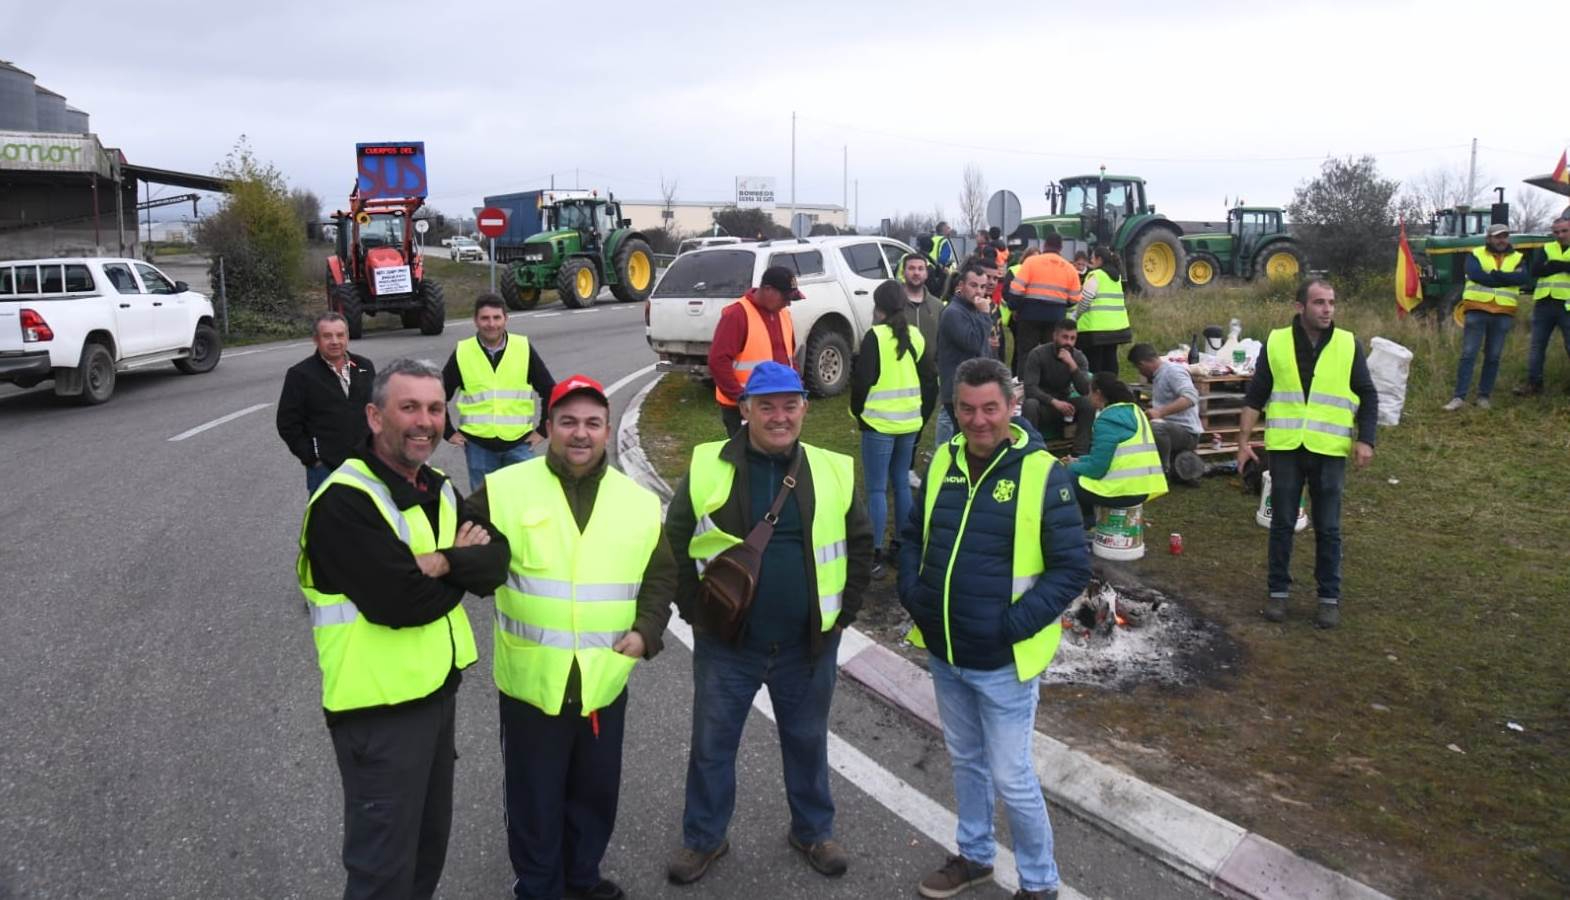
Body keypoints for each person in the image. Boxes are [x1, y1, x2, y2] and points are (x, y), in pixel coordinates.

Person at [297, 357, 510, 900]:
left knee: (425, 851)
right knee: (382, 871)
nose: (425, 421)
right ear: (374, 416)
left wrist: (436, 561)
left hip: (436, 696)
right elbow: (402, 603)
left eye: (436, 409)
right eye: (409, 407)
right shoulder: (344, 501)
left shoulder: (436, 486)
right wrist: (456, 557)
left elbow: (496, 561)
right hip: (378, 714)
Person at [665, 361, 873, 886]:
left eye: (789, 405)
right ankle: (704, 839)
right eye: (766, 406)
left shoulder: (832, 467)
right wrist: (697, 615)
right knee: (712, 746)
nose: (779, 417)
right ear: (745, 410)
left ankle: (812, 830)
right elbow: (673, 542)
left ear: (804, 407)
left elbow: (861, 543)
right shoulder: (710, 464)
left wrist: (841, 615)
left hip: (808, 645)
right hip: (728, 646)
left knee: (806, 740)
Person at [898, 356, 1090, 900]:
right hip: (945, 651)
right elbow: (913, 534)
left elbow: (1072, 568)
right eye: (966, 408)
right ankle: (976, 856)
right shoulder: (942, 462)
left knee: (1012, 777)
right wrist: (914, 596)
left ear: (1012, 406)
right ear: (954, 408)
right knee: (966, 762)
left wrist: (1011, 626)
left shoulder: (1041, 472)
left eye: (990, 408)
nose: (978, 421)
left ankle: (1039, 882)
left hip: (1004, 661)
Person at [477, 374, 676, 900]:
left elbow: (660, 575)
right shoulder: (503, 490)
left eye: (591, 422)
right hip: (532, 684)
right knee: (534, 798)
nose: (580, 433)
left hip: (603, 681)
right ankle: (539, 888)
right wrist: (462, 553)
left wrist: (647, 631)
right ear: (548, 429)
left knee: (593, 794)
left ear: (608, 430)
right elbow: (466, 551)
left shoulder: (635, 502)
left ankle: (582, 880)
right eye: (568, 422)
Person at [1237, 278, 1378, 629]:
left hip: (1329, 450)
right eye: (1319, 302)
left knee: (1328, 527)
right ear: (1300, 307)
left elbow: (1368, 394)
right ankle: (1278, 593)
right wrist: (1242, 443)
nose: (1327, 309)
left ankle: (1328, 597)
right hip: (1285, 448)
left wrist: (1367, 440)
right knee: (1282, 523)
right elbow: (1256, 395)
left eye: (1331, 302)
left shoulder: (1348, 344)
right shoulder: (1277, 341)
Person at [851, 281, 938, 578]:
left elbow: (861, 381)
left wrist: (858, 412)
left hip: (878, 424)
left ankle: (874, 554)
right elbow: (930, 379)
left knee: (876, 488)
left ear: (878, 308)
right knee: (901, 483)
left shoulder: (874, 337)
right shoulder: (916, 335)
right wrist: (922, 415)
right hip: (909, 423)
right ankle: (901, 546)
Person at [443, 294, 556, 491]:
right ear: (475, 321)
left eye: (497, 318)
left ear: (506, 319)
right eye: (485, 318)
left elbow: (549, 390)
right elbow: (437, 396)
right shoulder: (463, 352)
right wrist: (447, 432)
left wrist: (543, 430)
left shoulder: (523, 348)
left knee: (524, 503)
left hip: (520, 444)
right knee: (485, 507)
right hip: (479, 447)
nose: (491, 324)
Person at [276, 311, 376, 494]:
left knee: (369, 520)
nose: (335, 341)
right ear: (316, 339)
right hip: (326, 469)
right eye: (327, 336)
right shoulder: (300, 375)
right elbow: (287, 423)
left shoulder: (364, 366)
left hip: (367, 465)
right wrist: (312, 458)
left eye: (340, 335)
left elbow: (378, 410)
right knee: (327, 522)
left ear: (348, 336)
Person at [1064, 372, 1168, 530]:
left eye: (1090, 392)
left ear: (1098, 394)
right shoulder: (1135, 411)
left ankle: (1089, 524)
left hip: (1122, 491)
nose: (1089, 396)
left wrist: (1072, 466)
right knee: (1077, 469)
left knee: (1069, 476)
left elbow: (1096, 469)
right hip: (1143, 488)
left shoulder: (1107, 420)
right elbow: (1111, 456)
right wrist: (1080, 460)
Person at [709, 265, 802, 436]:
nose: (788, 303)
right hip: (742, 408)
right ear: (768, 290)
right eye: (785, 297)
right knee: (749, 458)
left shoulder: (783, 314)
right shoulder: (737, 315)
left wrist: (796, 387)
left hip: (778, 405)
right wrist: (742, 399)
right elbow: (718, 361)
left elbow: (790, 357)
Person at [1444, 224, 1528, 410]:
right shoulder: (1476, 254)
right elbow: (1476, 275)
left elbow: (1522, 279)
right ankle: (1459, 397)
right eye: (1497, 237)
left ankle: (1484, 396)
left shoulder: (1518, 258)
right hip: (1477, 310)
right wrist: (1505, 278)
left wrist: (1494, 275)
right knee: (1468, 354)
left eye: (1505, 236)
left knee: (1493, 356)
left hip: (1503, 312)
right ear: (1489, 238)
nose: (1501, 240)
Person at [936, 263, 1000, 447]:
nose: (979, 291)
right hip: (958, 388)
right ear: (961, 286)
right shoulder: (953, 312)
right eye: (973, 285)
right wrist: (985, 316)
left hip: (974, 385)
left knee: (970, 438)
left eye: (982, 286)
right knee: (964, 439)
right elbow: (973, 343)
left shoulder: (973, 309)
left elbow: (983, 349)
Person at [1005, 233, 1081, 373]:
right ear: (1061, 248)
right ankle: (1047, 386)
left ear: (1044, 245)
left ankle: (1024, 385)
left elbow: (1016, 290)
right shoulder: (1069, 268)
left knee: (1026, 354)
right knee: (1051, 355)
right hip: (1055, 318)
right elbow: (1075, 299)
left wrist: (1015, 308)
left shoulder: (1031, 262)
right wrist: (1060, 305)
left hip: (1029, 316)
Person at [1513, 215, 1570, 396]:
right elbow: (1536, 270)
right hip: (1544, 303)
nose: (1560, 235)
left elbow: (1547, 268)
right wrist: (1564, 266)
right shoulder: (1546, 247)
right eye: (1556, 232)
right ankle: (1534, 385)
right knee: (1537, 346)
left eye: (1564, 231)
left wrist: (1554, 264)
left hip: (1567, 306)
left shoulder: (1550, 253)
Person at [1019, 319, 1094, 455]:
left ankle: (1080, 453)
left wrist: (1072, 366)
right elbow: (1030, 389)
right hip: (1044, 405)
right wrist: (1054, 402)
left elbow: (1084, 390)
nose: (1068, 343)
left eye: (1072, 338)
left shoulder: (1078, 357)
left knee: (1087, 404)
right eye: (1065, 337)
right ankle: (1031, 451)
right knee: (1030, 404)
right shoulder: (1038, 354)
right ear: (1055, 336)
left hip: (1065, 405)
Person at [1128, 343, 1203, 476]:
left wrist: (1160, 412)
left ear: (1142, 364)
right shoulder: (1159, 375)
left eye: (1137, 367)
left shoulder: (1172, 372)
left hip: (1187, 433)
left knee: (1156, 427)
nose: (1139, 372)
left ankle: (1162, 471)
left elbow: (1191, 397)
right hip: (1171, 429)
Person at [1073, 248, 1132, 376]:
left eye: (1093, 258)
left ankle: (1095, 391)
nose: (1091, 261)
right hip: (1115, 328)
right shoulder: (1116, 277)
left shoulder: (1096, 275)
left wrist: (1075, 317)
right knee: (1110, 362)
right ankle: (1111, 390)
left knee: (1094, 366)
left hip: (1094, 330)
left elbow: (1085, 299)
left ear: (1100, 259)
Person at [899, 253, 943, 353]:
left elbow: (944, 341)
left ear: (926, 274)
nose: (916, 273)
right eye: (911, 268)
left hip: (931, 367)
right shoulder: (892, 303)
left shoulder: (937, 306)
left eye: (920, 269)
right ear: (903, 273)